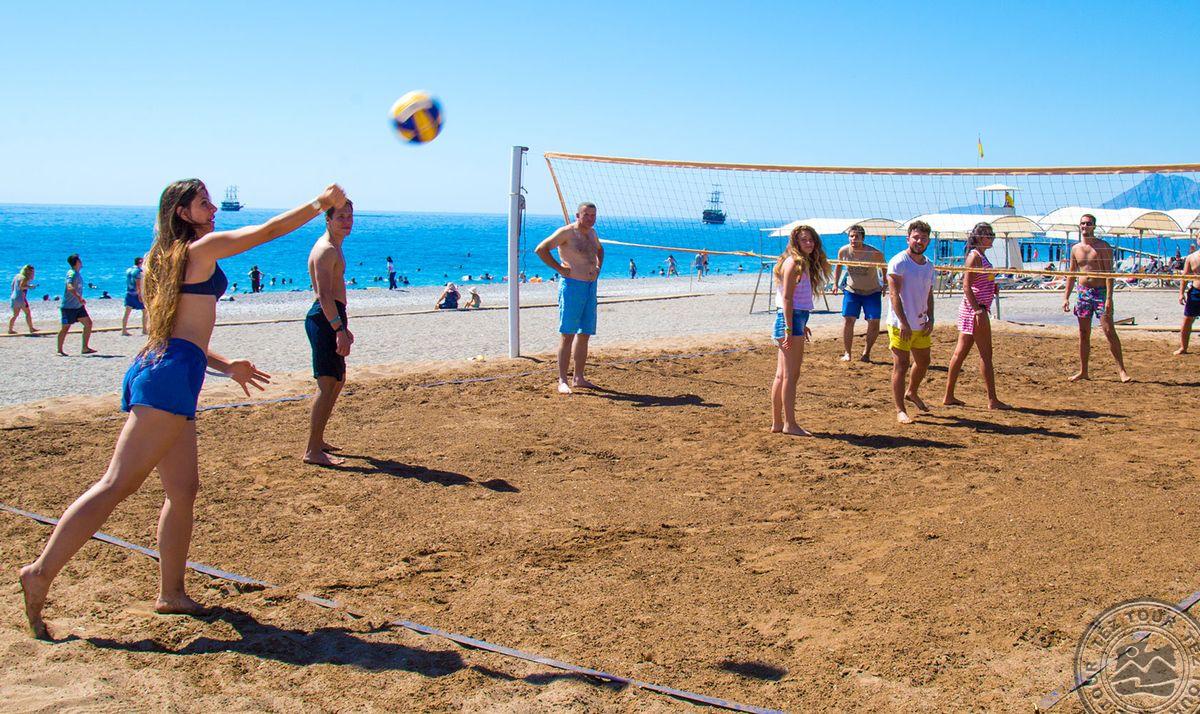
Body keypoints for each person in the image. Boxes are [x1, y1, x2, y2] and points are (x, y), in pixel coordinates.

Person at [19, 179, 346, 640]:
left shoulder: (165, 258)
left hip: (171, 369)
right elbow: (268, 231)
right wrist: (320, 203)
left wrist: (226, 365)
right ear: (181, 212)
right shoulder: (200, 249)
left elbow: (175, 333)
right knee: (116, 484)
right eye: (203, 203)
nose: (213, 209)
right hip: (169, 378)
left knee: (183, 489)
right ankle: (39, 573)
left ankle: (171, 593)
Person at [304, 200, 355, 466]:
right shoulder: (326, 250)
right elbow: (324, 295)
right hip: (324, 318)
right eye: (341, 217)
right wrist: (338, 328)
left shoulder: (335, 246)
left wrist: (343, 326)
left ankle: (319, 440)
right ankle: (312, 450)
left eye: (349, 216)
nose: (347, 222)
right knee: (326, 385)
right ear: (328, 220)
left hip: (333, 316)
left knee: (338, 380)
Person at [536, 201, 603, 394]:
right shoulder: (566, 232)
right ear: (578, 215)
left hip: (590, 286)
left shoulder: (592, 233)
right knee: (567, 334)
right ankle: (562, 380)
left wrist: (598, 267)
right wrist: (559, 268)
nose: (590, 218)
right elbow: (541, 249)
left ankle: (579, 377)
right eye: (586, 215)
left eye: (593, 215)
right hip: (572, 286)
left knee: (585, 334)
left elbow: (600, 250)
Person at [770, 225, 831, 436]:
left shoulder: (801, 262)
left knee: (782, 375)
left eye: (811, 240)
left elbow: (793, 300)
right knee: (790, 375)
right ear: (796, 242)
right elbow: (787, 299)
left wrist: (801, 324)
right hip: (790, 318)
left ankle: (778, 423)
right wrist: (789, 328)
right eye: (804, 240)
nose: (809, 243)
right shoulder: (794, 263)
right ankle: (789, 424)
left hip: (795, 317)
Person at [943, 223, 1010, 409]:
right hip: (975, 310)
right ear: (980, 237)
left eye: (993, 235)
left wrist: (991, 286)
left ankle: (949, 395)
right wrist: (977, 310)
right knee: (985, 355)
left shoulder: (981, 255)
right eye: (989, 235)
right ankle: (992, 400)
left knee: (960, 353)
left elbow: (978, 282)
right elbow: (966, 286)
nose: (992, 238)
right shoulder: (974, 257)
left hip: (974, 309)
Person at [1062, 214, 1130, 382]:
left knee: (1109, 330)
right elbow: (1071, 274)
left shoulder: (1103, 247)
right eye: (1082, 223)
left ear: (1094, 226)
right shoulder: (1075, 248)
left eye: (1088, 223)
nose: (1085, 226)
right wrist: (1066, 297)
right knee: (1083, 333)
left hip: (1100, 292)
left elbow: (1109, 274)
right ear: (1079, 226)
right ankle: (1083, 371)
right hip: (1083, 293)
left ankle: (1122, 371)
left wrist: (1109, 298)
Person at [887, 221, 936, 424]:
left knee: (924, 362)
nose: (919, 241)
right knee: (901, 365)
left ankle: (912, 392)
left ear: (928, 241)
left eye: (923, 238)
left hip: (921, 321)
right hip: (900, 324)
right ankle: (900, 409)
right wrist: (903, 322)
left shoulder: (929, 265)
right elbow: (894, 294)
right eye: (916, 237)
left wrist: (931, 317)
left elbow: (929, 293)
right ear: (908, 239)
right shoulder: (899, 262)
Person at [833, 225, 885, 362]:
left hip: (872, 291)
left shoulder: (874, 253)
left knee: (874, 322)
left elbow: (884, 267)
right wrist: (835, 284)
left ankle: (866, 353)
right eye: (851, 236)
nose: (854, 239)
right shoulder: (844, 251)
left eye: (857, 236)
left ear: (863, 238)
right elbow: (838, 265)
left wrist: (885, 284)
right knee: (848, 320)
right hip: (852, 291)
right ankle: (847, 353)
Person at [56, 254, 95, 356]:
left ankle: (85, 348)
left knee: (88, 324)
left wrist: (79, 300)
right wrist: (79, 297)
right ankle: (59, 350)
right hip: (68, 307)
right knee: (65, 328)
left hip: (78, 306)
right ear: (77, 262)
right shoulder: (71, 273)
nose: (81, 262)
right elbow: (69, 287)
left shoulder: (77, 274)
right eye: (80, 260)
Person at [1175, 247, 1200, 355]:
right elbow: (1184, 277)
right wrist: (1181, 293)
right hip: (1196, 292)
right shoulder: (1191, 257)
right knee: (1187, 320)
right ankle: (1183, 347)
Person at [121, 256, 147, 336]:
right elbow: (138, 284)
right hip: (136, 294)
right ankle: (144, 329)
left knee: (127, 313)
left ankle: (124, 330)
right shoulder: (138, 271)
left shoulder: (128, 270)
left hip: (129, 293)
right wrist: (140, 295)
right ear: (140, 262)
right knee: (145, 311)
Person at [9, 264, 37, 334]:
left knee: (15, 315)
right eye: (32, 272)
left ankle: (10, 329)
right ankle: (31, 328)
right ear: (28, 271)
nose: (32, 273)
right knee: (28, 313)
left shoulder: (17, 276)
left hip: (13, 297)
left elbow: (12, 285)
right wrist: (30, 287)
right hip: (21, 298)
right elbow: (21, 286)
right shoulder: (25, 278)